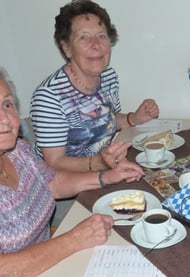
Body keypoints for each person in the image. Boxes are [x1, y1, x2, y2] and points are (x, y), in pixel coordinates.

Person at [0, 56, 145, 277]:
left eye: (7, 104)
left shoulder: (14, 149)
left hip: (43, 268)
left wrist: (106, 177)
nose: (4, 118)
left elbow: (52, 184)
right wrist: (75, 239)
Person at [30, 0, 159, 172]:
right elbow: (54, 162)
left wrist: (133, 118)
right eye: (84, 37)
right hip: (71, 186)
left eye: (101, 36)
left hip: (105, 170)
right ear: (67, 48)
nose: (95, 45)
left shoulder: (108, 76)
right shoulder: (49, 96)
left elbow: (106, 120)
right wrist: (98, 163)